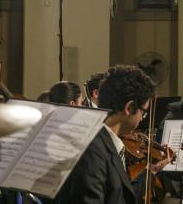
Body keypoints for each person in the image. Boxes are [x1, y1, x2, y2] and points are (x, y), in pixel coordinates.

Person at [57, 65, 156, 204]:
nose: (142, 118)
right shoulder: (92, 151)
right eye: (143, 112)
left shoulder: (105, 142)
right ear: (129, 108)